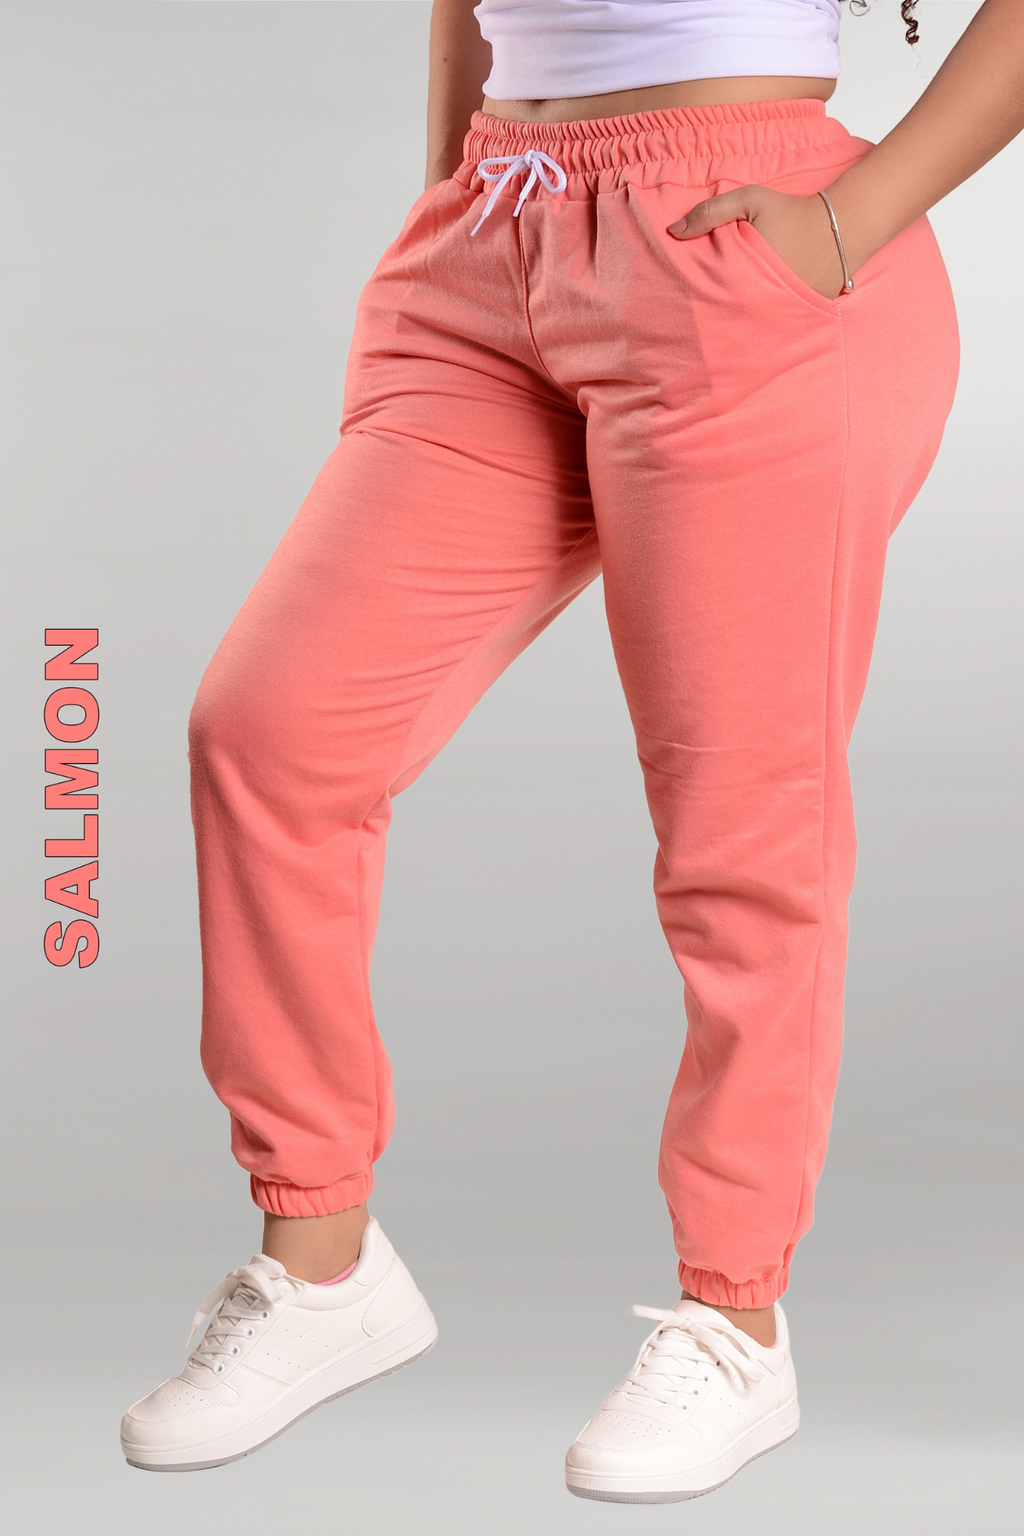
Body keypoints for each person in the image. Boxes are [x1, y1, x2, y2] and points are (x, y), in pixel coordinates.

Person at [120, 0, 1019, 1501]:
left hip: (742, 251)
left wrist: (844, 226)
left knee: (741, 829)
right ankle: (323, 1259)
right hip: (491, 242)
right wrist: (449, 195)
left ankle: (736, 1316)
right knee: (271, 734)